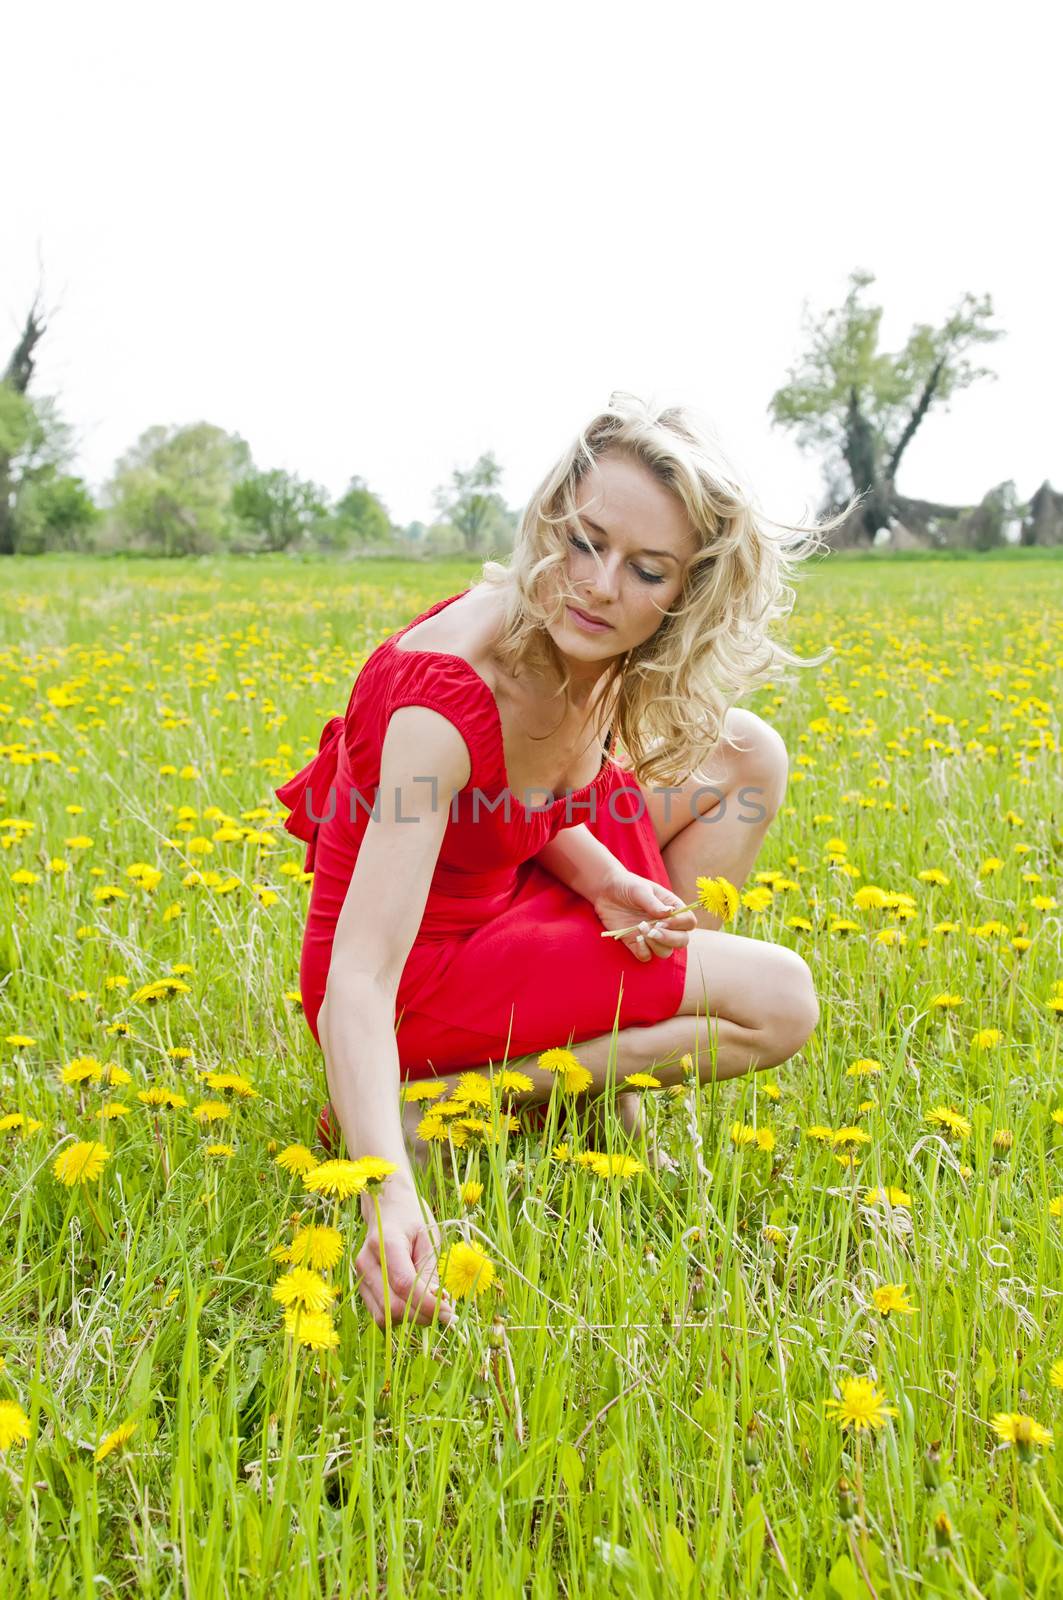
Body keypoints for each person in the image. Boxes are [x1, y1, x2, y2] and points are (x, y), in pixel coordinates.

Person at [275, 392, 833, 1333]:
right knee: (779, 1001)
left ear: (684, 596)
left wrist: (607, 877)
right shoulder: (440, 707)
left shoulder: (585, 641)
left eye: (645, 570)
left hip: (507, 881)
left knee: (745, 755)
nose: (598, 586)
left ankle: (602, 1055)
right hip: (422, 973)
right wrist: (384, 1195)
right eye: (583, 543)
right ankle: (444, 1111)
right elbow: (358, 980)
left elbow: (514, 798)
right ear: (549, 522)